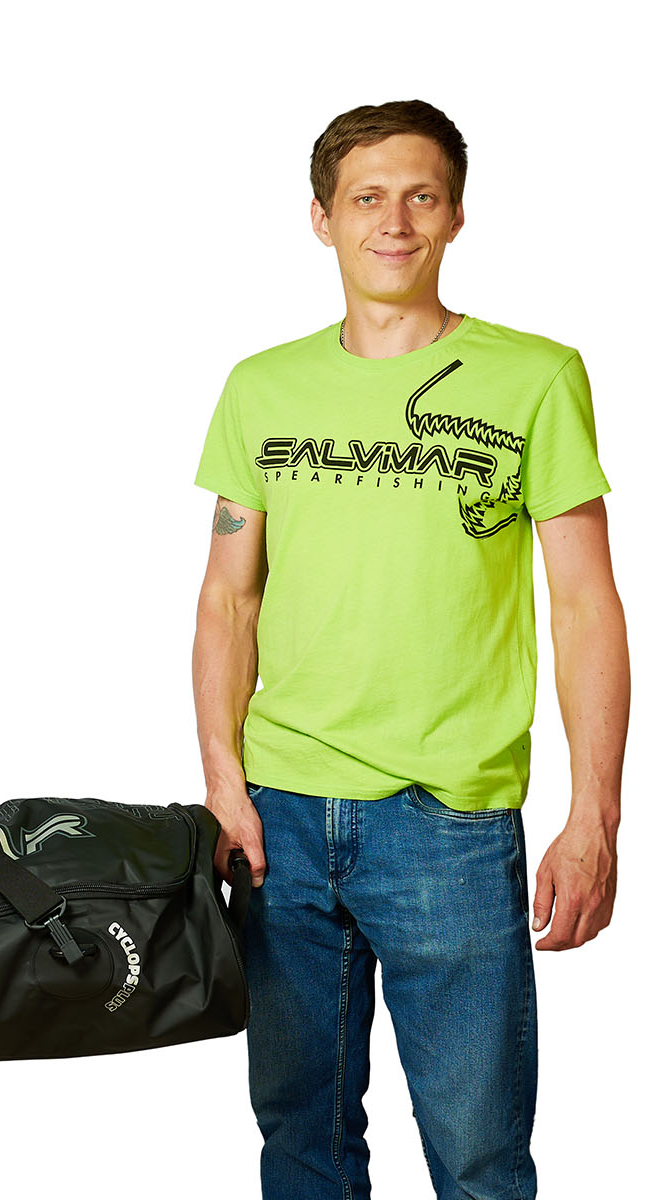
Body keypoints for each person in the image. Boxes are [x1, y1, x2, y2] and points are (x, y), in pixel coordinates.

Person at [192, 99, 626, 1199]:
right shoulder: (261, 387)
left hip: (450, 820)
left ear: (456, 215)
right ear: (321, 218)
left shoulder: (536, 377)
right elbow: (227, 600)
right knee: (301, 1145)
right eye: (367, 198)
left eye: (421, 196)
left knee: (478, 1161)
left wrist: (595, 816)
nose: (393, 222)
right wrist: (223, 784)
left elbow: (585, 606)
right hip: (281, 816)